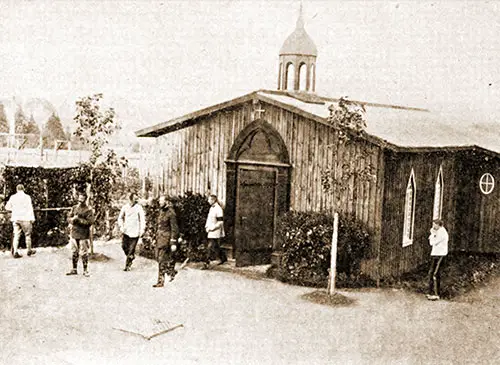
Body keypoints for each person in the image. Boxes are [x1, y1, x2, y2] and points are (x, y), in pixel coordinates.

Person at [66, 192, 94, 277]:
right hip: (74, 233)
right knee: (74, 252)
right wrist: (72, 220)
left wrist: (79, 220)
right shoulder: (74, 208)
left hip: (83, 233)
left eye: (82, 199)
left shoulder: (88, 210)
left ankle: (85, 270)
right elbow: (68, 218)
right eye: (79, 198)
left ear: (85, 199)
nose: (80, 200)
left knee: (84, 253)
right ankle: (74, 269)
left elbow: (90, 222)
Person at [153, 196, 179, 287]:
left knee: (161, 259)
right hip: (159, 238)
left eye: (161, 201)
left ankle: (160, 281)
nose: (159, 202)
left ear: (166, 202)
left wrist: (173, 242)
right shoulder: (161, 211)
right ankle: (171, 271)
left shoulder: (171, 213)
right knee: (157, 257)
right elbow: (159, 226)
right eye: (159, 200)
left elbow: (174, 228)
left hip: (166, 239)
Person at [5, 184, 36, 258]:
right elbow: (30, 208)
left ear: (17, 189)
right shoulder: (27, 197)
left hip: (16, 218)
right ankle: (29, 250)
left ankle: (15, 251)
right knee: (27, 235)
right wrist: (32, 218)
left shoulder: (13, 197)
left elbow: (7, 207)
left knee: (16, 235)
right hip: (25, 218)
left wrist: (14, 209)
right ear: (23, 189)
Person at [118, 192, 146, 271]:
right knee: (124, 246)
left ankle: (127, 265)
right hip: (126, 231)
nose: (135, 200)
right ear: (130, 199)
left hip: (135, 232)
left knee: (131, 249)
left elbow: (142, 219)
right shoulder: (125, 207)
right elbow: (120, 218)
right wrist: (121, 227)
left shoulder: (139, 208)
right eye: (134, 199)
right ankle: (131, 256)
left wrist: (142, 230)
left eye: (136, 199)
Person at [203, 194, 227, 270]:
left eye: (209, 199)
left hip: (215, 231)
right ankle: (223, 258)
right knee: (216, 246)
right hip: (210, 230)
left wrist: (212, 228)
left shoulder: (218, 209)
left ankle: (206, 263)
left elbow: (220, 222)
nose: (208, 201)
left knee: (209, 247)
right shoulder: (211, 208)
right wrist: (207, 227)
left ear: (213, 200)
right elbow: (209, 219)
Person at [427, 219, 449, 301]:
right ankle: (431, 292)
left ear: (438, 225)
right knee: (431, 273)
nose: (433, 226)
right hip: (436, 254)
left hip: (440, 255)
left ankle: (436, 294)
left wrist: (432, 234)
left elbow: (432, 242)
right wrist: (433, 234)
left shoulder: (442, 233)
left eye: (434, 225)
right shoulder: (438, 232)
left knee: (435, 274)